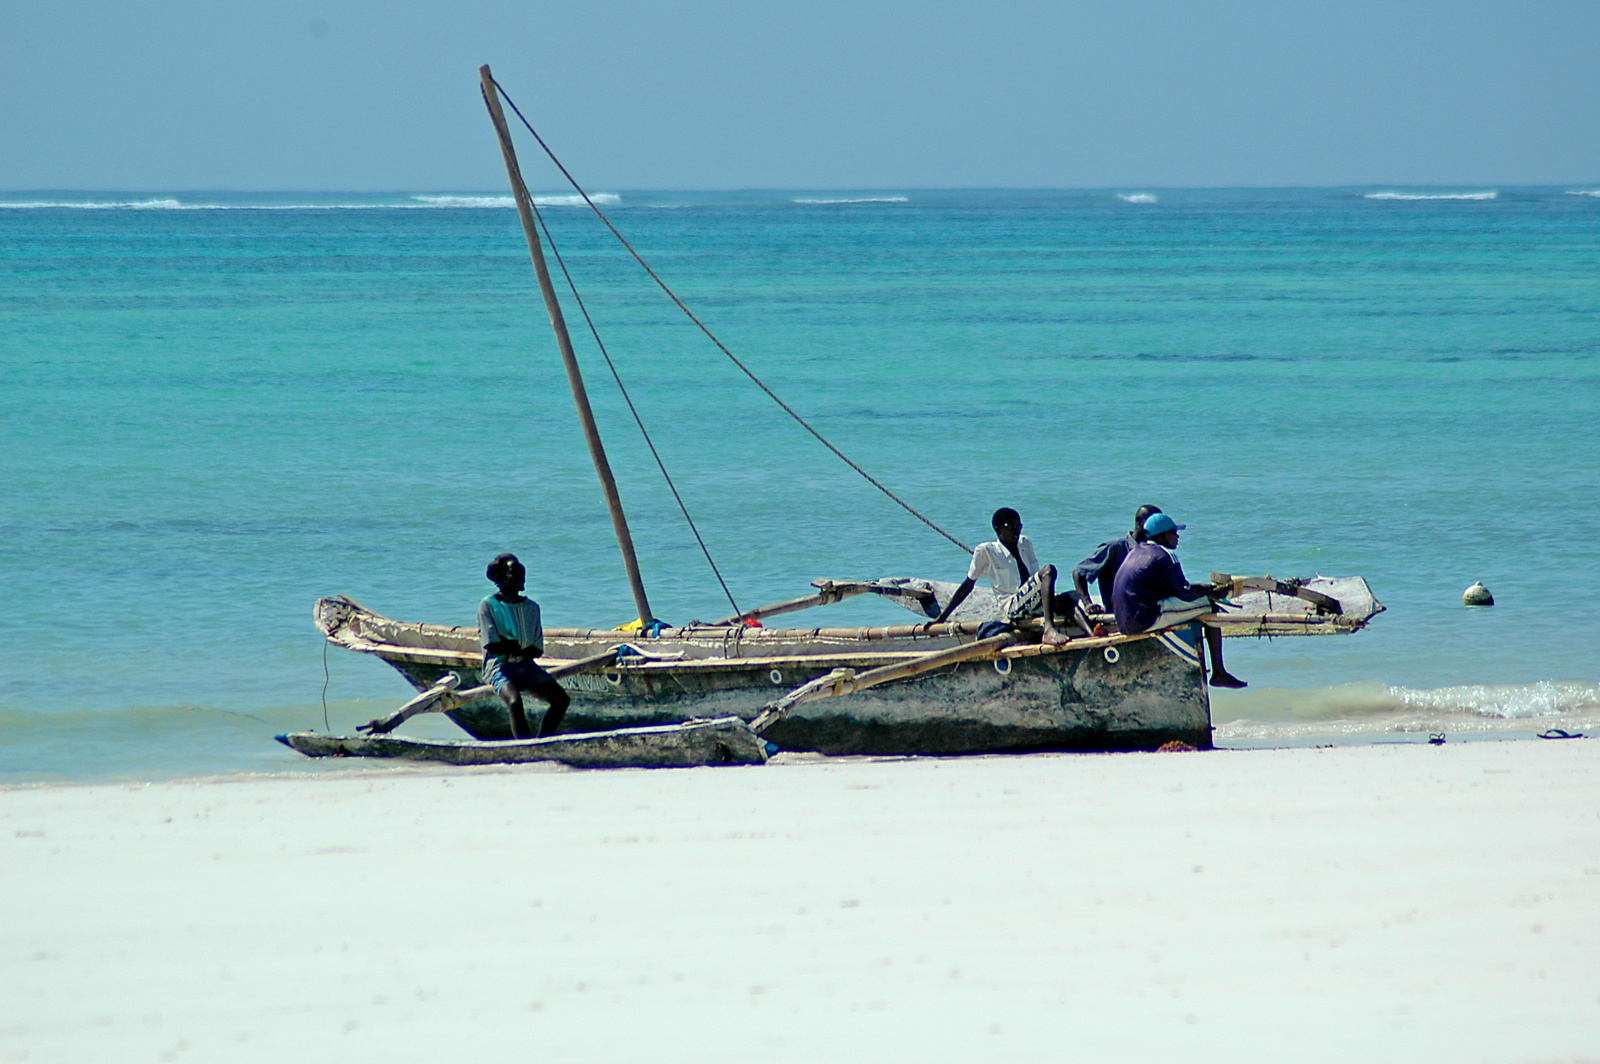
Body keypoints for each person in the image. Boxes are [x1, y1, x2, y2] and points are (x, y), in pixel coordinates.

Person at [1111, 513, 1246, 688]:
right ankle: (1219, 672)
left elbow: (1177, 588)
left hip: (1124, 620)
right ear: (1163, 536)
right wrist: (1213, 594)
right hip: (1144, 618)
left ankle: (1217, 670)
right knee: (1208, 606)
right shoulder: (1165, 555)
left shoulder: (1136, 551)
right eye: (1174, 533)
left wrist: (1205, 589)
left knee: (1197, 602)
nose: (1178, 537)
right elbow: (1185, 595)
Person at [928, 508, 1090, 644]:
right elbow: (968, 585)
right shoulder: (987, 551)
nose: (1015, 530)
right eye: (1009, 526)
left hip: (1033, 603)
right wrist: (942, 617)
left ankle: (1092, 634)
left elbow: (1035, 582)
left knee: (1068, 600)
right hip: (1013, 607)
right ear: (997, 529)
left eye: (1018, 526)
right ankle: (1049, 629)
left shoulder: (1025, 543)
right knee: (1048, 570)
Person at [478, 552, 571, 738]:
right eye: (515, 574)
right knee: (514, 702)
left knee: (561, 700)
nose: (521, 578)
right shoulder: (488, 605)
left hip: (526, 667)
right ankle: (524, 745)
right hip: (499, 667)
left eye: (522, 574)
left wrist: (513, 647)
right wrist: (519, 649)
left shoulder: (532, 608)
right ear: (502, 577)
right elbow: (493, 647)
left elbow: (536, 650)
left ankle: (542, 741)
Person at [1073, 504, 1163, 614]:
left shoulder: (1154, 551)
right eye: (1153, 522)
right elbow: (1079, 572)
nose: (1157, 527)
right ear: (1139, 521)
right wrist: (1088, 604)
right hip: (1120, 614)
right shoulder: (1115, 549)